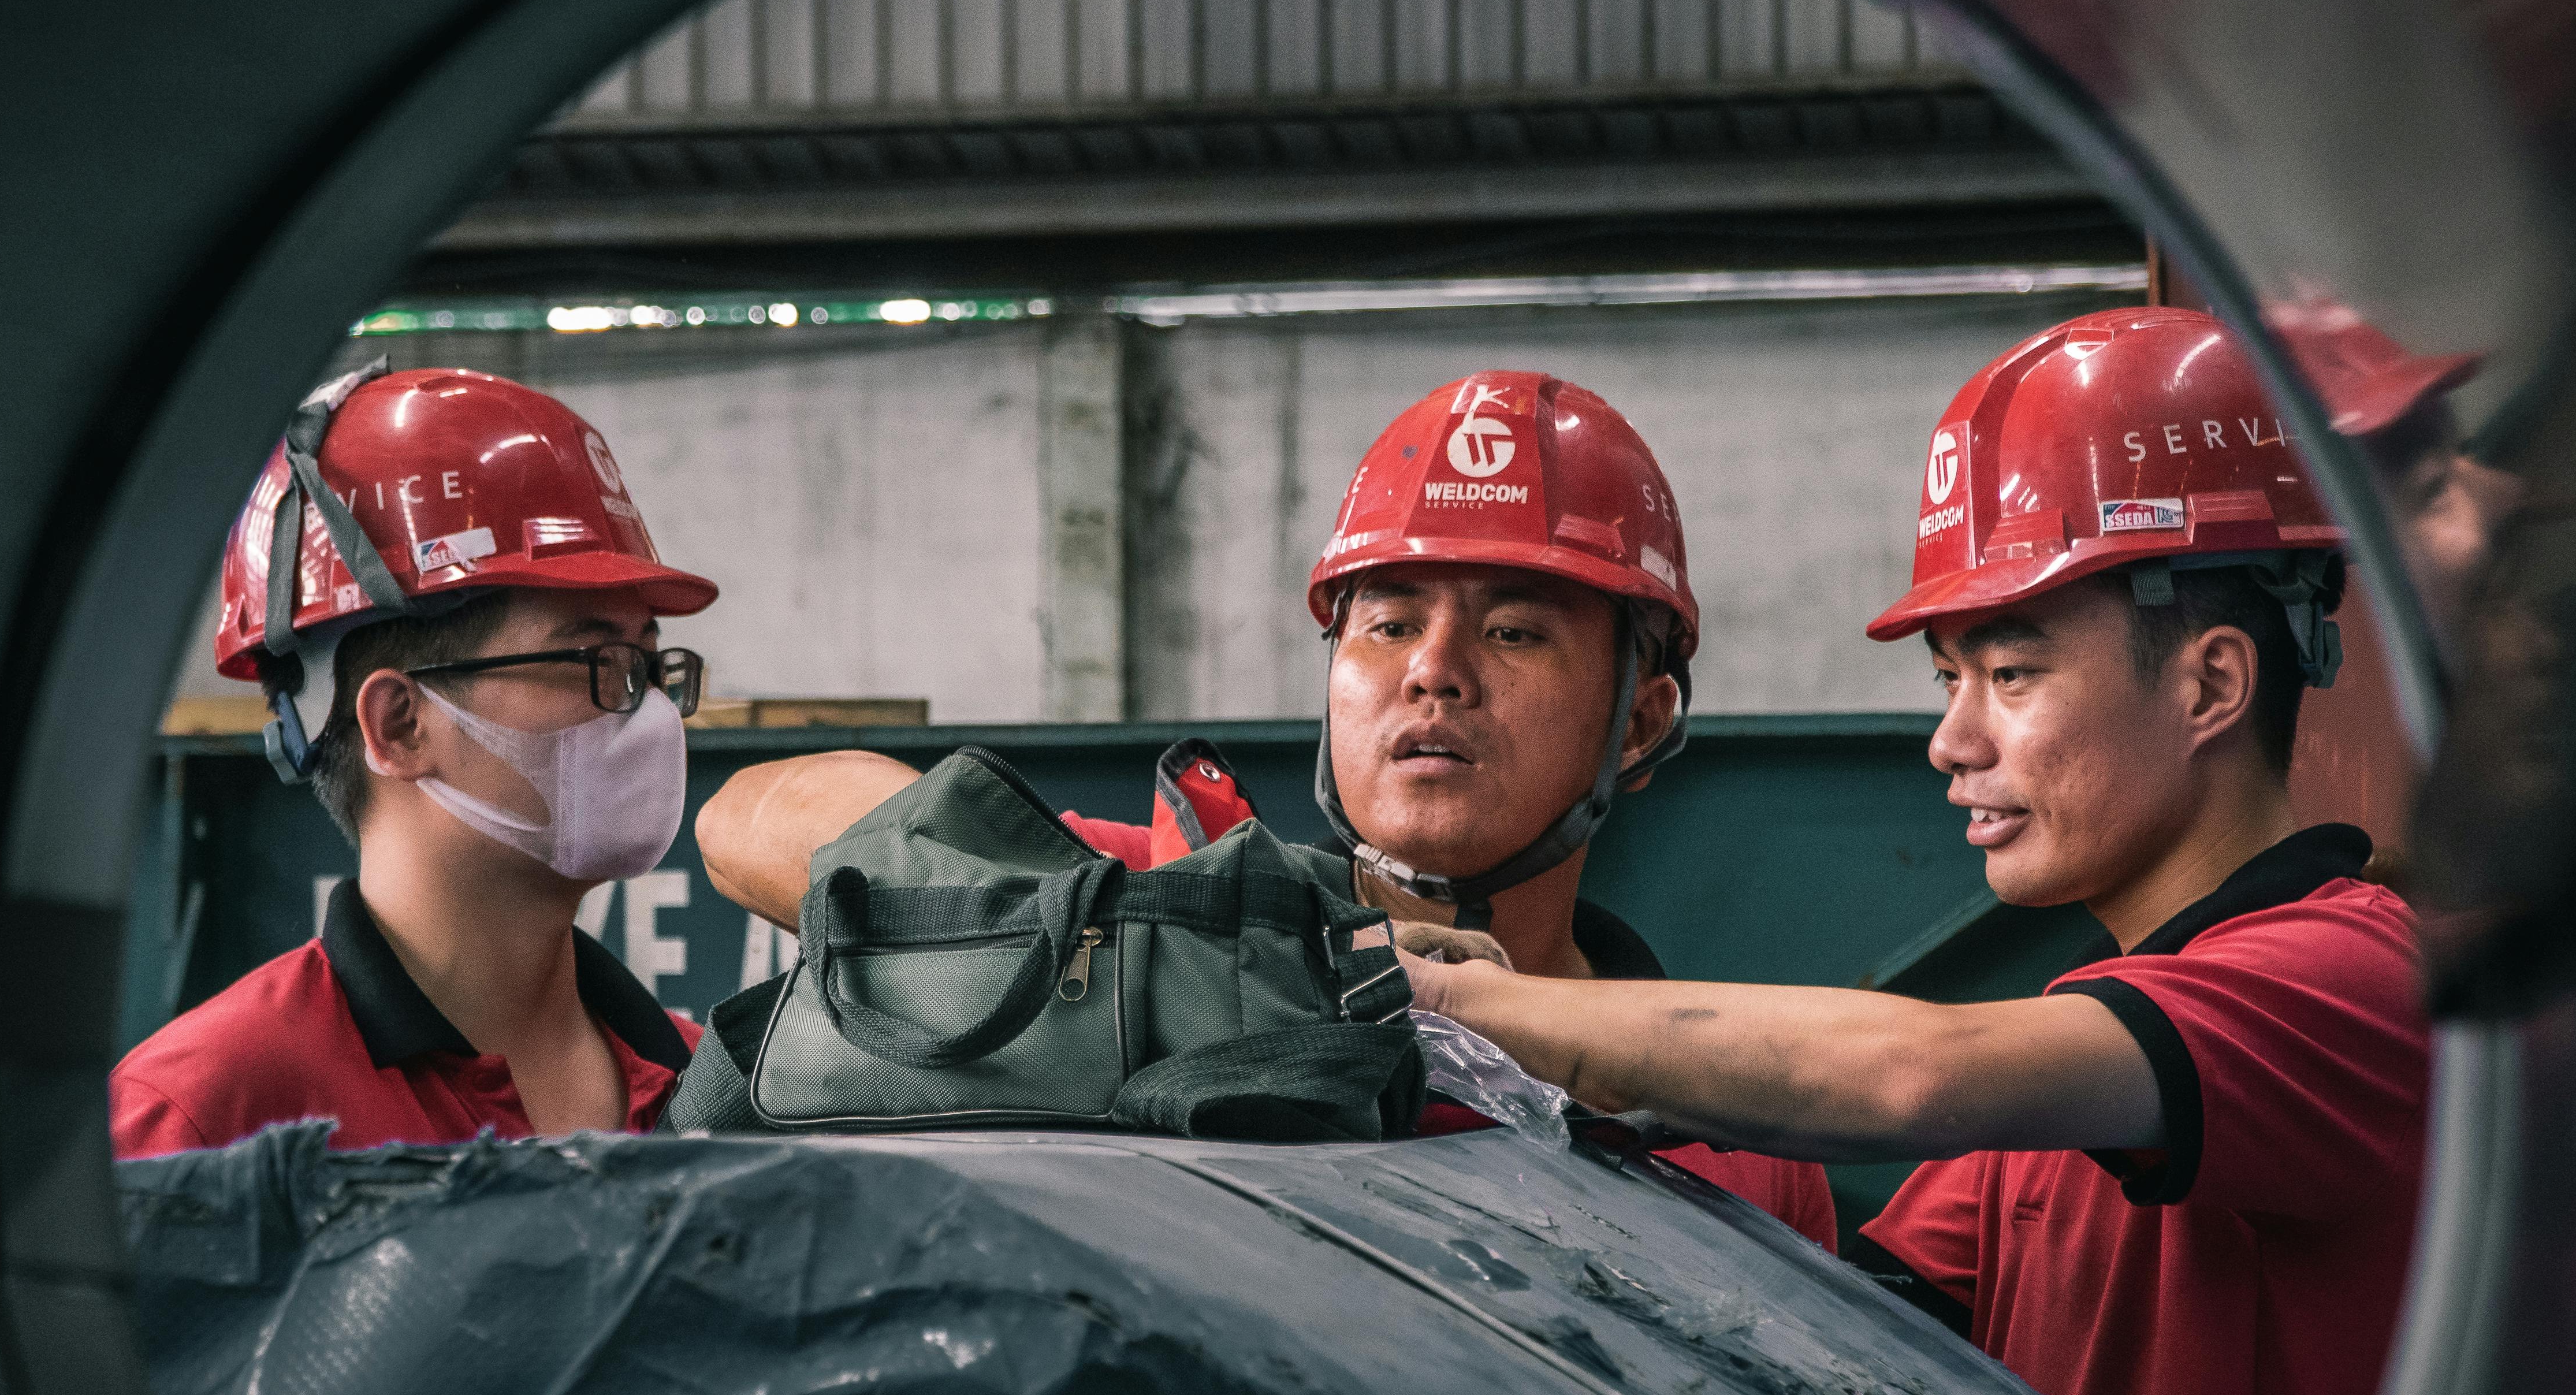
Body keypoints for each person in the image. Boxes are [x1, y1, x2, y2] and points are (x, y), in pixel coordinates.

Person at [1399, 308, 2442, 1395]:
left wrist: (1456, 997)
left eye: (2007, 673)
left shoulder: (2344, 976)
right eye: (1949, 678)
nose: (1950, 741)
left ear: (2208, 684)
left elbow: (1908, 1072)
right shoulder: (2059, 1104)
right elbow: (1826, 1359)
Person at [697, 371, 1836, 1246]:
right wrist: (1173, 934)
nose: (1431, 671)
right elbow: (748, 817)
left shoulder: (1725, 1129)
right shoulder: (1151, 924)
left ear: (1638, 722)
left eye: (1512, 631)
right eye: (1386, 625)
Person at [111, 363, 719, 1156]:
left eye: (649, 665)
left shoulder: (708, 1088)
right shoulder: (203, 1118)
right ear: (398, 726)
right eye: (596, 659)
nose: (650, 713)